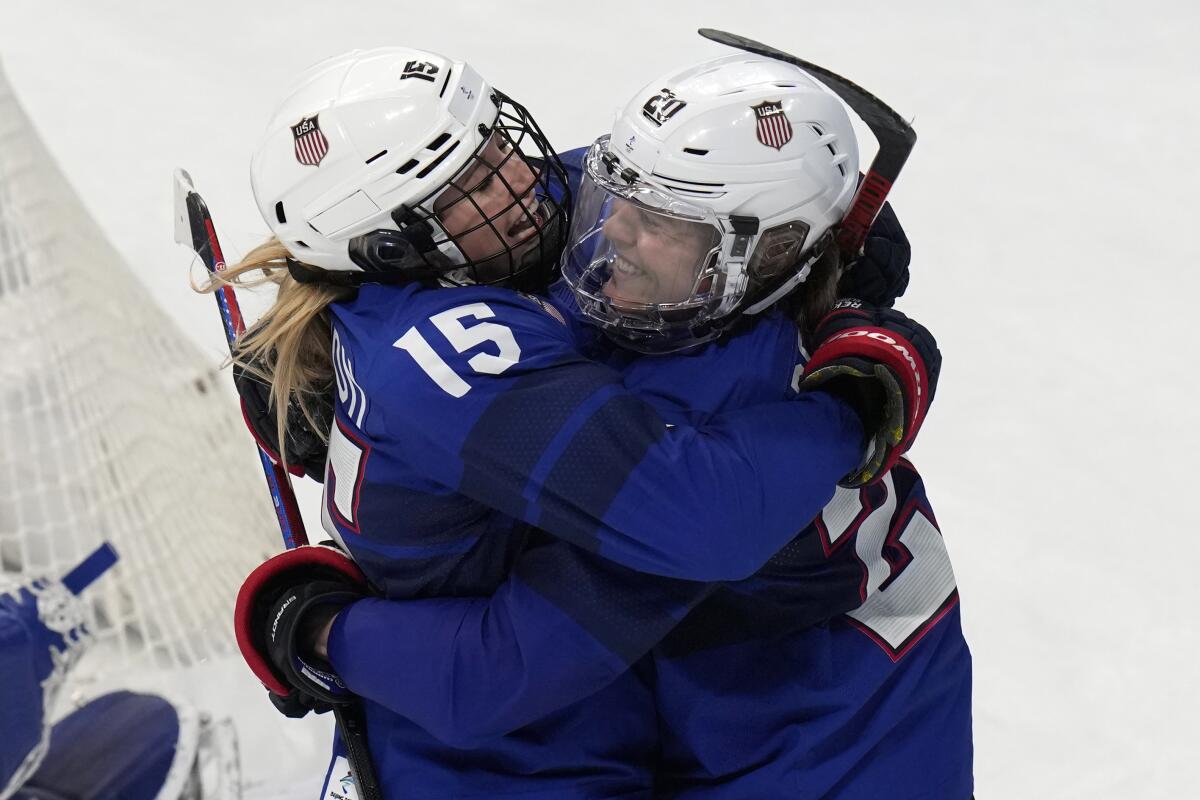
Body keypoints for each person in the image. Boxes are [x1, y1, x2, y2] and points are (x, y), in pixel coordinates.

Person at [223, 47, 944, 798]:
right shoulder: (502, 365)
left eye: (496, 142)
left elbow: (605, 186)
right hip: (617, 714)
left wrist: (808, 185)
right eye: (473, 183)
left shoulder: (416, 289)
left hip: (777, 706)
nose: (525, 180)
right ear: (391, 250)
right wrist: (856, 404)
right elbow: (496, 668)